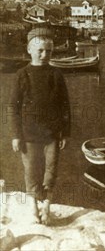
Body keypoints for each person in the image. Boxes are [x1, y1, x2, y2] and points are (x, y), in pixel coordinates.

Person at [10, 26, 71, 225]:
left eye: (49, 51)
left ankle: (47, 206)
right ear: (30, 50)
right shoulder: (22, 75)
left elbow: (65, 106)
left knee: (51, 170)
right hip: (28, 134)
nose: (45, 55)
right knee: (31, 170)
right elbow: (13, 107)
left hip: (52, 133)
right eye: (40, 50)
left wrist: (65, 132)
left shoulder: (56, 75)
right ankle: (33, 207)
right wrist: (16, 135)